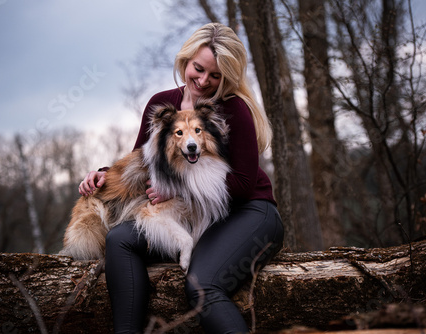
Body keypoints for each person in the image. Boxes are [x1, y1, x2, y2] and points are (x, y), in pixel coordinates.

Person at [79, 23, 284, 334]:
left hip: (248, 212)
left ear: (227, 76)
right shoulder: (162, 103)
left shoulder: (234, 109)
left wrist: (176, 188)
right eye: (198, 69)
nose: (203, 81)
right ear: (185, 61)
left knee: (203, 287)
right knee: (119, 240)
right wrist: (103, 174)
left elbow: (242, 186)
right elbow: (143, 161)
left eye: (215, 76)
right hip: (193, 217)